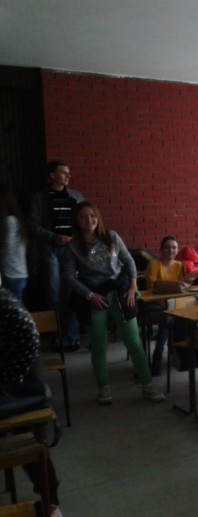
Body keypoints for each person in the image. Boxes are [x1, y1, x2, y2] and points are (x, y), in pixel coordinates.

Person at [62, 201, 165, 405]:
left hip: (119, 292)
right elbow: (68, 276)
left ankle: (147, 384)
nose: (88, 220)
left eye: (92, 216)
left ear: (98, 217)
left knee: (134, 341)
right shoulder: (72, 246)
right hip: (94, 296)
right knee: (99, 345)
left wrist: (133, 286)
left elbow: (129, 261)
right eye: (83, 216)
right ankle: (104, 388)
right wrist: (89, 295)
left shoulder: (111, 237)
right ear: (76, 220)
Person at [0, 284, 62, 517]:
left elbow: (30, 338)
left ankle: (50, 501)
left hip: (23, 383)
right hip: (10, 378)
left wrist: (8, 380)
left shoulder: (5, 303)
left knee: (31, 443)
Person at [27, 160, 84, 351]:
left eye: (68, 173)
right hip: (50, 250)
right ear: (52, 176)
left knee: (71, 291)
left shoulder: (75, 197)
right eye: (63, 172)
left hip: (71, 251)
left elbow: (86, 221)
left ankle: (73, 336)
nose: (68, 176)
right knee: (53, 293)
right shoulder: (39, 198)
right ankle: (57, 337)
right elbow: (33, 225)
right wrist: (53, 237)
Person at [144, 236, 191, 376]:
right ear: (161, 249)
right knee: (168, 318)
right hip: (155, 305)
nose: (170, 250)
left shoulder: (179, 265)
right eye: (167, 247)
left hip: (173, 305)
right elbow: (151, 289)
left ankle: (179, 352)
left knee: (178, 316)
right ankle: (158, 355)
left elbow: (183, 287)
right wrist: (168, 300)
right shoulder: (153, 264)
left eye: (174, 247)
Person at [0, 187, 29, 301]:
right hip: (18, 273)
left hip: (12, 273)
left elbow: (6, 250)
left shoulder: (9, 221)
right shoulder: (16, 220)